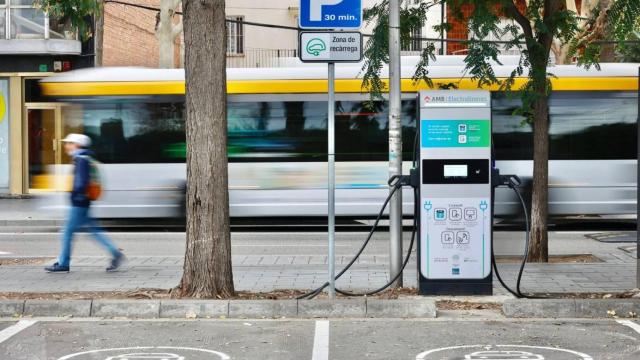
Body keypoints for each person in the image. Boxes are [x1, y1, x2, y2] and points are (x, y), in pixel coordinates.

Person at [45, 133, 125, 273]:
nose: (66, 146)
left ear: (77, 144)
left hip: (79, 202)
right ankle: (115, 254)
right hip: (84, 201)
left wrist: (76, 194)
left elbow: (81, 182)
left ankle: (63, 264)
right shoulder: (85, 158)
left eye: (69, 143)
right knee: (94, 231)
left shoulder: (81, 159)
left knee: (67, 232)